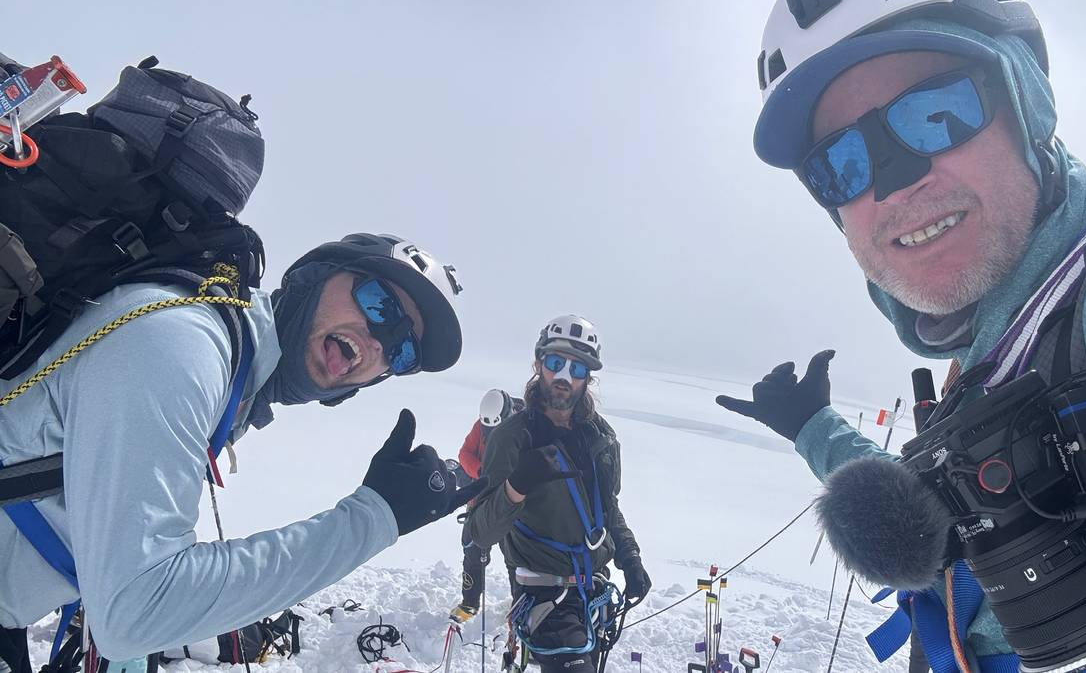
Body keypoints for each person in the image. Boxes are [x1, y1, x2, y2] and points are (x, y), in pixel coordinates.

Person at [718, 0, 1086, 670]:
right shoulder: (998, 342)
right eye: (841, 162)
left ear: (1027, 101)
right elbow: (951, 504)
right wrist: (813, 426)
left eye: (935, 113)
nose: (895, 182)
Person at [0, 233, 485, 671]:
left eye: (402, 353)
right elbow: (136, 609)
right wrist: (374, 519)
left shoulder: (235, 385)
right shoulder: (182, 345)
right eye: (378, 304)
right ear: (311, 276)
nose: (380, 340)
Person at [467, 315, 651, 673]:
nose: (564, 377)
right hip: (544, 596)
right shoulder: (513, 437)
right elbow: (478, 531)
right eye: (556, 363)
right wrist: (515, 487)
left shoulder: (600, 435)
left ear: (588, 377)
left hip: (592, 594)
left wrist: (630, 558)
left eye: (577, 368)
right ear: (539, 365)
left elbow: (608, 509)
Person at [449, 388, 525, 624]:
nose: (490, 432)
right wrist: (482, 473)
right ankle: (470, 603)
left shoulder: (523, 428)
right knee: (472, 549)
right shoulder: (481, 426)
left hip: (510, 503)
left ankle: (521, 604)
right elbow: (465, 454)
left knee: (515, 555)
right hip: (481, 498)